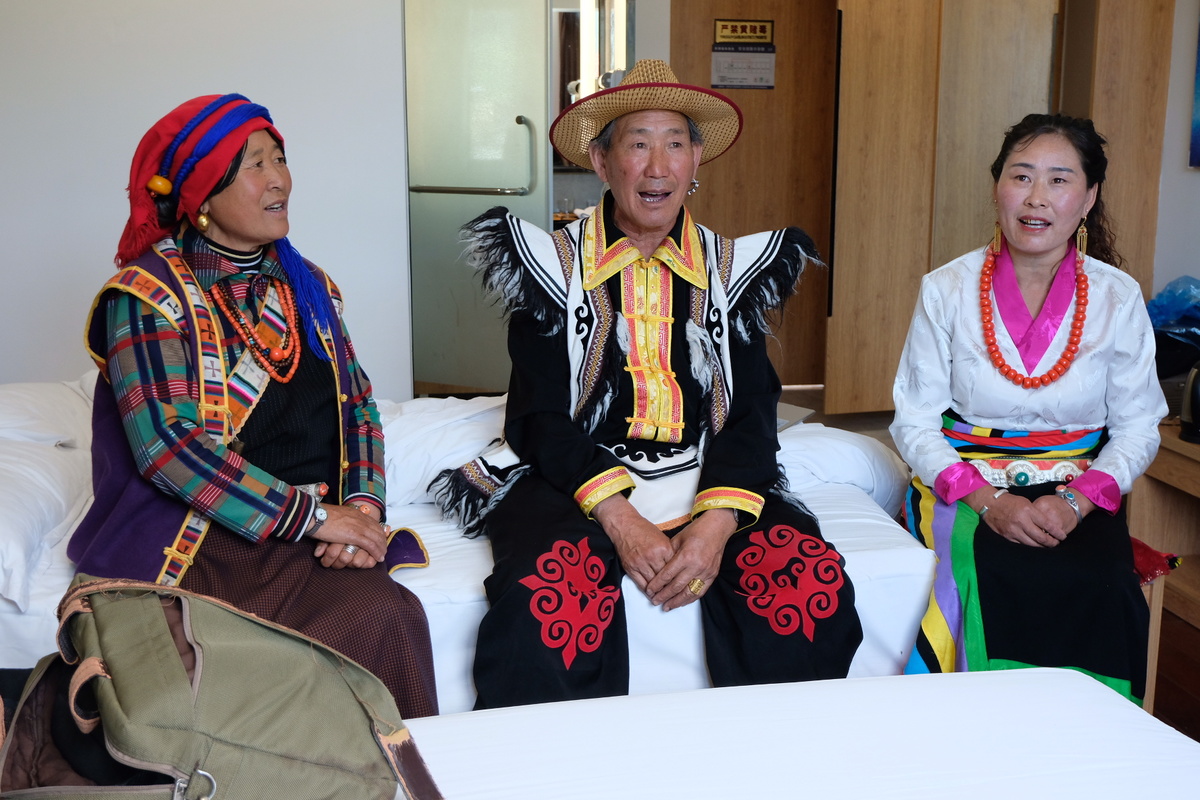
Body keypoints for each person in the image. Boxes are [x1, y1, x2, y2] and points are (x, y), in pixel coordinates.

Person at [433, 60, 863, 709]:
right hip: (576, 476)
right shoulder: (551, 267)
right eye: (638, 144)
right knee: (549, 604)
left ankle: (775, 755)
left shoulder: (732, 271)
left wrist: (717, 522)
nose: (657, 167)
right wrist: (620, 518)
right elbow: (538, 416)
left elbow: (751, 410)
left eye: (675, 144)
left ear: (696, 162)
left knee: (806, 588)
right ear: (602, 163)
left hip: (706, 468)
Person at [68, 94, 438, 718]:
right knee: (343, 632)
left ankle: (398, 765)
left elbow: (358, 407)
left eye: (280, 159)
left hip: (318, 525)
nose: (278, 180)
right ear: (202, 197)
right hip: (210, 535)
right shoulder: (146, 296)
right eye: (253, 165)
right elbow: (168, 450)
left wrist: (361, 512)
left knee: (392, 615)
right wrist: (313, 519)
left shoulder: (308, 284)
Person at [890, 113, 1167, 703]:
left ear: (1088, 198)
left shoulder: (1117, 296)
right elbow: (914, 421)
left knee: (1102, 586)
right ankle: (970, 731)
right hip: (967, 484)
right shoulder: (946, 288)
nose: (1037, 197)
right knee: (980, 577)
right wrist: (990, 502)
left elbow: (1139, 426)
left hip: (1078, 487)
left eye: (1059, 180)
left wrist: (1075, 502)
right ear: (998, 188)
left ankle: (1087, 739)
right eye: (1021, 176)